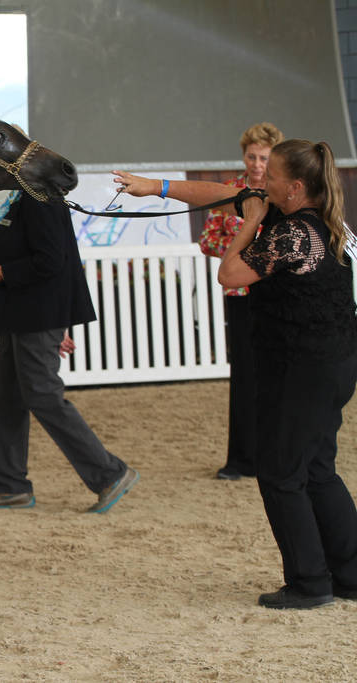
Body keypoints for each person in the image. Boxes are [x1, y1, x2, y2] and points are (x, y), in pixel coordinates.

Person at [114, 139, 357, 609]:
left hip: (301, 367)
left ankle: (310, 582)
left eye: (271, 177)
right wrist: (156, 188)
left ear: (295, 186)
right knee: (318, 468)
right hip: (332, 363)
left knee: (282, 474)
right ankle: (348, 574)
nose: (259, 182)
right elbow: (218, 193)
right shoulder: (325, 220)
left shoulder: (291, 235)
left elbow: (230, 275)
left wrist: (247, 226)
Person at [0, 189, 139, 514]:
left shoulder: (38, 197)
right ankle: (9, 486)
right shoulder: (21, 196)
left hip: (36, 315)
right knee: (7, 401)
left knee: (43, 396)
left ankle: (110, 474)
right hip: (23, 315)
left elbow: (52, 259)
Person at [199, 122, 285, 480]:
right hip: (241, 294)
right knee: (245, 376)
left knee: (279, 375)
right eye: (251, 156)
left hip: (281, 296)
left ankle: (277, 456)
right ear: (243, 155)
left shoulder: (283, 193)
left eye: (264, 157)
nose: (257, 164)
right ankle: (242, 460)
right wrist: (241, 254)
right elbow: (208, 241)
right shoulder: (229, 191)